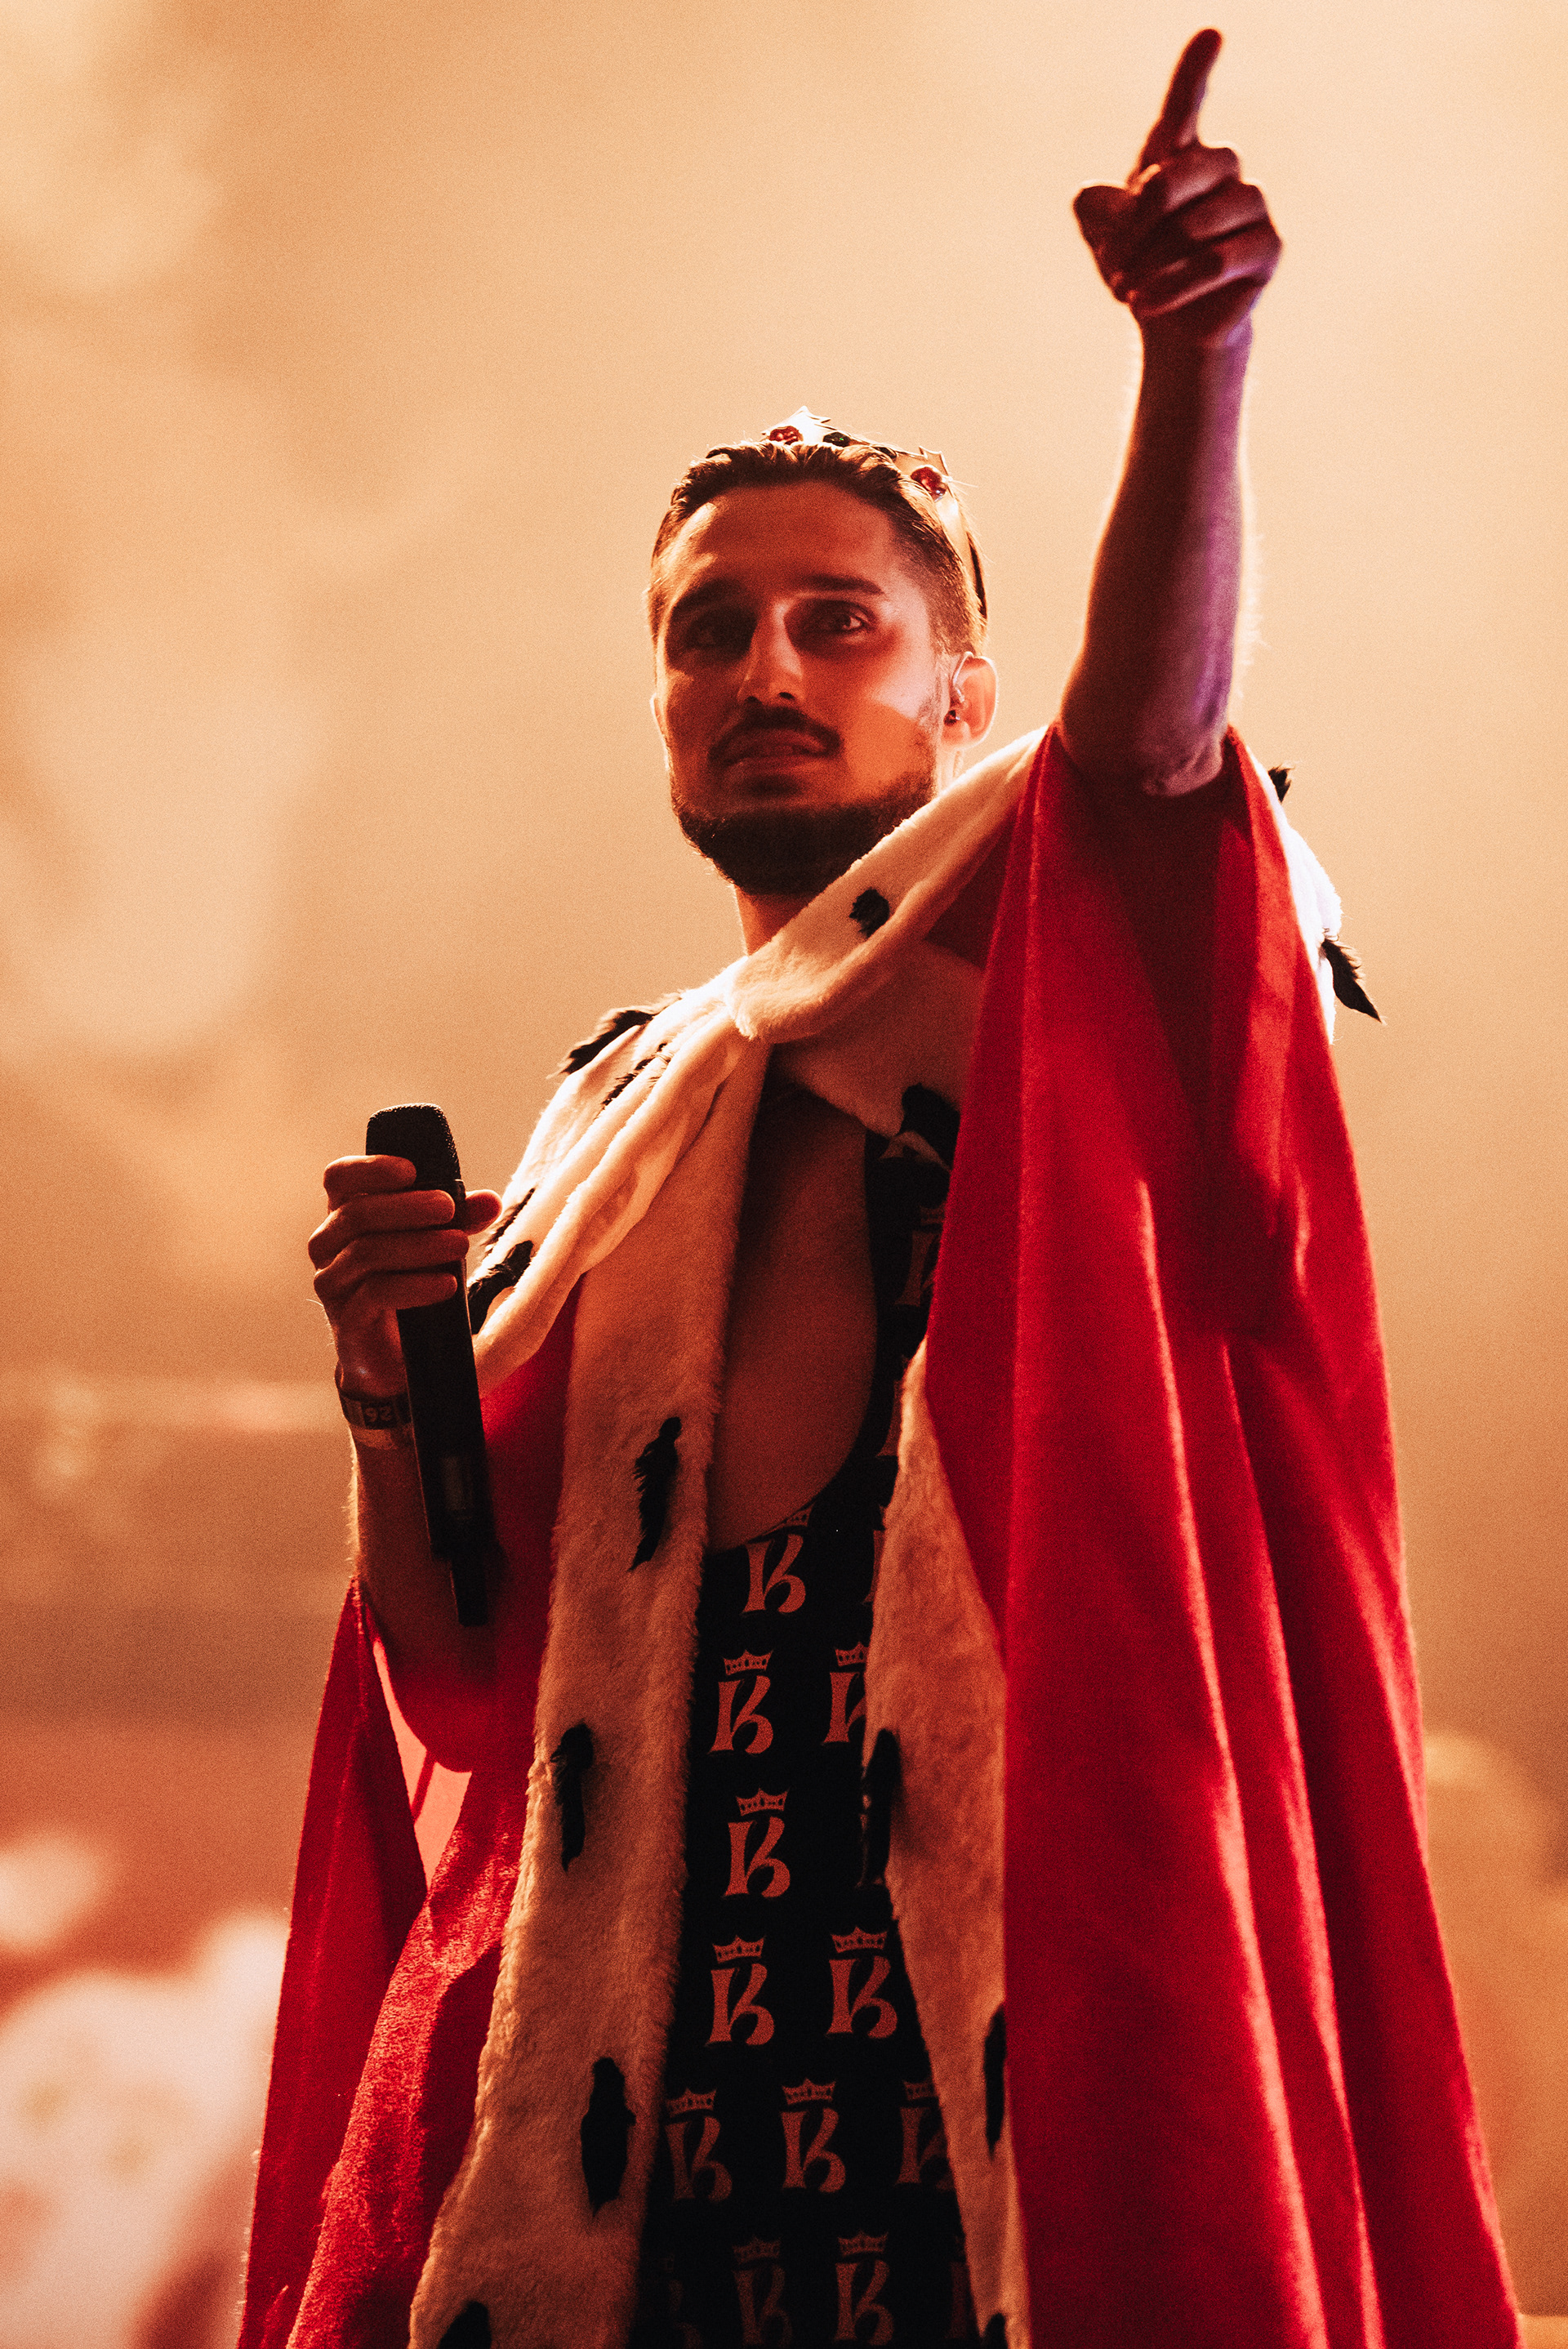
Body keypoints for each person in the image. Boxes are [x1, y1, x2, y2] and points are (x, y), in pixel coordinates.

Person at [243, 31, 1524, 2349]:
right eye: (708, 629)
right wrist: (385, 1379)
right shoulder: (615, 1120)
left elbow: (1154, 752)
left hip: (997, 2100)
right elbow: (469, 1676)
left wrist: (1197, 369)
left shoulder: (1054, 979)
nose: (765, 668)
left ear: (961, 691)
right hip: (632, 2131)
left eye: (840, 621)